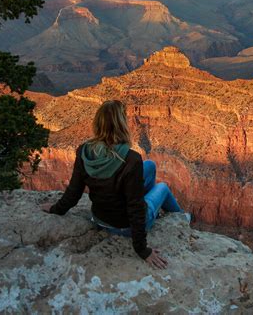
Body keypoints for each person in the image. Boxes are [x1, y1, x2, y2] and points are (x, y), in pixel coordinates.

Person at [39, 99, 188, 269]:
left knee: (151, 166)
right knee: (162, 188)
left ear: (98, 123)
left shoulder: (84, 151)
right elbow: (135, 207)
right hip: (124, 226)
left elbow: (74, 191)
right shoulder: (131, 159)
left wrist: (56, 209)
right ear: (122, 125)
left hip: (100, 218)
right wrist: (142, 250)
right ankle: (183, 219)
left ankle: (143, 195)